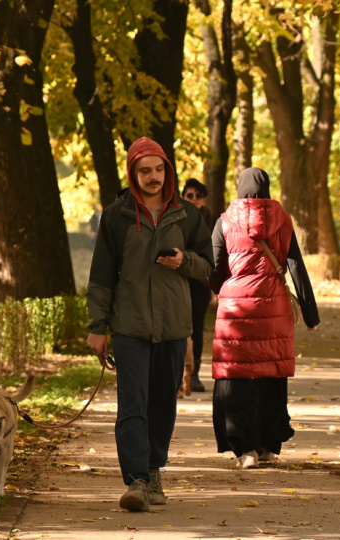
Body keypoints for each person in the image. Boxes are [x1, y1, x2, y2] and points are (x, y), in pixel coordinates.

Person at [86, 137, 213, 511]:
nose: (153, 177)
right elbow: (101, 277)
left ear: (167, 171)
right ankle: (136, 480)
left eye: (159, 170)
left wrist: (184, 261)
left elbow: (208, 265)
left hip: (174, 326)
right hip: (130, 327)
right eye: (145, 171)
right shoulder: (116, 216)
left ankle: (154, 469)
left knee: (162, 405)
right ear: (132, 172)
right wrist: (98, 326)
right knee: (132, 407)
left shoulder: (188, 215)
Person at [209, 167, 320, 468]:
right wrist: (310, 313)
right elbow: (296, 265)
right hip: (274, 308)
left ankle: (246, 450)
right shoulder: (283, 220)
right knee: (271, 376)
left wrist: (224, 289)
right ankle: (269, 445)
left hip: (236, 310)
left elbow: (216, 266)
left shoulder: (225, 221)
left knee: (238, 376)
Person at [181, 178, 218, 392]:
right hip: (178, 282)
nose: (194, 199)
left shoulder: (212, 220)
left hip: (201, 284)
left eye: (198, 196)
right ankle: (177, 375)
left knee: (196, 328)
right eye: (189, 195)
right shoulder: (175, 216)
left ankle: (194, 374)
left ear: (203, 199)